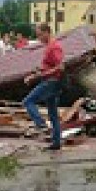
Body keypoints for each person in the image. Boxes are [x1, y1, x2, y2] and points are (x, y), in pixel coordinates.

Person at [23, 23, 65, 151]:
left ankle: (40, 124)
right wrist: (38, 71)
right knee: (53, 113)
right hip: (51, 80)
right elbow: (50, 65)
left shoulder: (54, 46)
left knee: (28, 101)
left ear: (47, 32)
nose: (39, 37)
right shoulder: (49, 46)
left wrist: (40, 75)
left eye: (40, 35)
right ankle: (56, 143)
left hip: (51, 82)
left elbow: (61, 67)